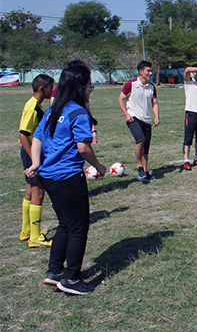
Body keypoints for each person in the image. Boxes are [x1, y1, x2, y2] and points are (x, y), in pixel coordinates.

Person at [24, 62, 106, 295]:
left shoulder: (53, 110)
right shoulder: (78, 113)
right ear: (80, 87)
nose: (91, 89)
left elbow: (37, 137)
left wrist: (36, 163)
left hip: (49, 177)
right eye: (90, 85)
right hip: (68, 177)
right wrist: (98, 166)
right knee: (79, 227)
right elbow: (83, 148)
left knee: (65, 224)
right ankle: (71, 278)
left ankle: (54, 272)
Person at [18, 74, 54, 248]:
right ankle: (35, 237)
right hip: (32, 153)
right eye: (50, 87)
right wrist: (34, 160)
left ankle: (26, 231)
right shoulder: (32, 106)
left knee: (29, 193)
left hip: (31, 153)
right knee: (38, 194)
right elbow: (23, 134)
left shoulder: (35, 104)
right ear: (42, 89)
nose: (52, 90)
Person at [118, 60, 160, 182]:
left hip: (146, 119)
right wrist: (126, 114)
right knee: (140, 140)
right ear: (140, 72)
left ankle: (144, 173)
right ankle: (139, 166)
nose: (150, 73)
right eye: (148, 71)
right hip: (133, 118)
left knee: (146, 148)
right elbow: (120, 100)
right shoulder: (130, 84)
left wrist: (156, 116)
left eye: (151, 71)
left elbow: (155, 103)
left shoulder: (152, 87)